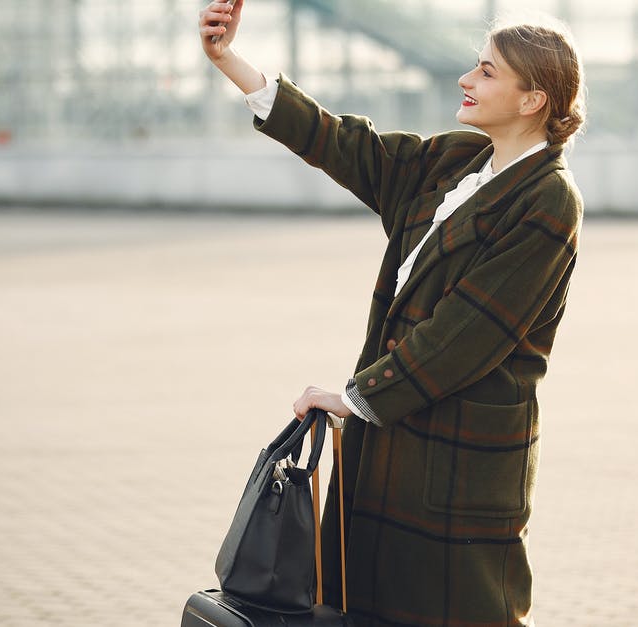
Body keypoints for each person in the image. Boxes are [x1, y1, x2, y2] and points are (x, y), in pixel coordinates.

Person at [200, 2, 584, 624]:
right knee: (365, 605)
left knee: (454, 610)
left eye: (487, 73)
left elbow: (467, 332)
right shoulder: (458, 162)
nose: (467, 79)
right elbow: (350, 147)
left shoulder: (549, 200)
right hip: (390, 439)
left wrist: (355, 399)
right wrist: (232, 64)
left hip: (460, 454)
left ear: (532, 100)